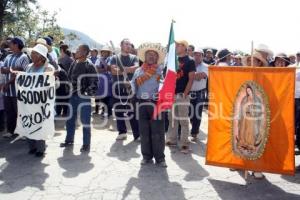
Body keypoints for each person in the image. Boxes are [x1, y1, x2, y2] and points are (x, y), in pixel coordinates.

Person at [132, 42, 167, 167]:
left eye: (154, 55)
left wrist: (162, 91)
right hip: (141, 104)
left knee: (158, 132)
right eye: (149, 55)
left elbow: (165, 84)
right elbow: (133, 84)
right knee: (144, 132)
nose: (151, 57)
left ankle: (160, 158)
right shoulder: (137, 71)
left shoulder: (161, 70)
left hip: (156, 104)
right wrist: (130, 86)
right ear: (145, 57)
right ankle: (146, 157)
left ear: (157, 58)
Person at [60, 44, 98, 152]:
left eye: (78, 50)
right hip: (73, 96)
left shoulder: (89, 65)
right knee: (70, 119)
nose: (75, 52)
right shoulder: (74, 63)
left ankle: (86, 144)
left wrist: (86, 93)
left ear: (84, 53)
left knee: (85, 121)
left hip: (83, 98)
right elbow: (69, 77)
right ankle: (69, 140)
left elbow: (94, 82)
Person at [166, 40, 195, 154]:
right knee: (172, 118)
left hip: (182, 94)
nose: (176, 47)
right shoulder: (172, 60)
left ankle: (184, 143)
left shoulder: (190, 61)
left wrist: (185, 93)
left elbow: (191, 78)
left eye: (178, 45)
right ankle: (172, 139)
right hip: (171, 93)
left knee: (183, 120)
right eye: (176, 45)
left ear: (184, 47)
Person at [26, 44, 55, 157]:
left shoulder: (48, 68)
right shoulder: (28, 67)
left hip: (41, 102)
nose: (32, 55)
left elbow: (49, 84)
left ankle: (40, 149)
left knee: (39, 125)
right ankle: (32, 146)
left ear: (41, 56)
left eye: (34, 53)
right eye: (32, 53)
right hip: (28, 101)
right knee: (28, 123)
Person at [109, 38, 139, 141]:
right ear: (121, 45)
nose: (128, 46)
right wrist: (127, 70)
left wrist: (122, 69)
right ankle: (122, 132)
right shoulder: (114, 58)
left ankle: (137, 134)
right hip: (117, 88)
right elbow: (113, 71)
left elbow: (136, 68)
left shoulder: (134, 57)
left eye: (130, 44)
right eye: (126, 44)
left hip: (130, 88)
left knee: (132, 111)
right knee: (119, 111)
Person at [0, 37, 30, 138]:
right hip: (7, 91)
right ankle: (11, 131)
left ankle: (23, 132)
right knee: (9, 112)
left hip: (18, 91)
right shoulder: (8, 57)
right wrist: (13, 70)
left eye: (11, 43)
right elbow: (3, 70)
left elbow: (21, 72)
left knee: (20, 112)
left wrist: (9, 79)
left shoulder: (24, 57)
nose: (9, 45)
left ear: (16, 45)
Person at [189, 48, 208, 141]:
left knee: (198, 112)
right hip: (189, 92)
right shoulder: (189, 64)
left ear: (202, 56)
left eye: (199, 54)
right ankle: (194, 126)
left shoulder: (206, 66)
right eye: (195, 54)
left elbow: (201, 76)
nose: (197, 56)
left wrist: (191, 75)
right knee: (190, 113)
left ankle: (194, 132)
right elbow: (196, 76)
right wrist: (195, 75)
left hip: (200, 92)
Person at [94, 46, 113, 117]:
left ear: (108, 53)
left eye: (106, 52)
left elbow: (108, 68)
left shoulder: (110, 59)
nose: (104, 53)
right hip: (101, 81)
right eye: (103, 52)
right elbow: (97, 69)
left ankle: (108, 112)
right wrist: (104, 69)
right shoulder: (98, 59)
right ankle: (104, 111)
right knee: (102, 97)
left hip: (108, 81)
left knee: (108, 97)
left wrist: (104, 67)